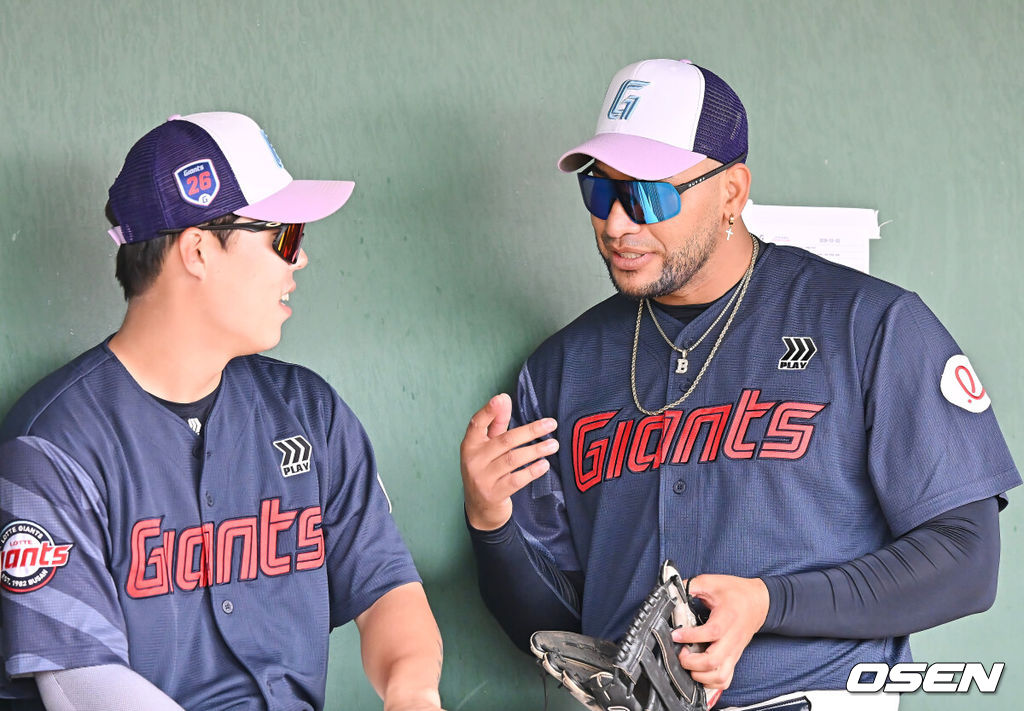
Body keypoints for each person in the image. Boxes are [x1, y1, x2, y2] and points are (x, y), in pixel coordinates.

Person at [460, 59, 1020, 710]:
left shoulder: (870, 325)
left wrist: (770, 602)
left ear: (731, 191)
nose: (616, 224)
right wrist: (492, 522)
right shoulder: (562, 367)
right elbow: (555, 627)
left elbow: (967, 561)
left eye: (649, 195)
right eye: (600, 191)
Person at [0, 112, 444, 711]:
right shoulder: (53, 446)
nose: (299, 259)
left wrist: (412, 694)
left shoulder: (308, 411)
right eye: (284, 235)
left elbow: (387, 587)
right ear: (198, 250)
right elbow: (81, 686)